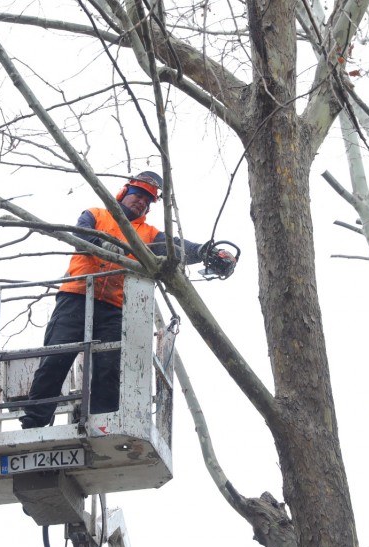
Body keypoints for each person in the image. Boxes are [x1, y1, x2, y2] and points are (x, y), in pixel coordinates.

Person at [19, 171, 236, 429]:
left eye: (147, 200)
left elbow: (175, 246)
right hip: (76, 297)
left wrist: (205, 252)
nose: (142, 202)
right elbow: (80, 236)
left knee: (108, 368)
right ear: (125, 193)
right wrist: (102, 244)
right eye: (138, 195)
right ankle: (35, 422)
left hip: (113, 306)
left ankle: (102, 425)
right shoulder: (95, 214)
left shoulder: (148, 234)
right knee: (56, 357)